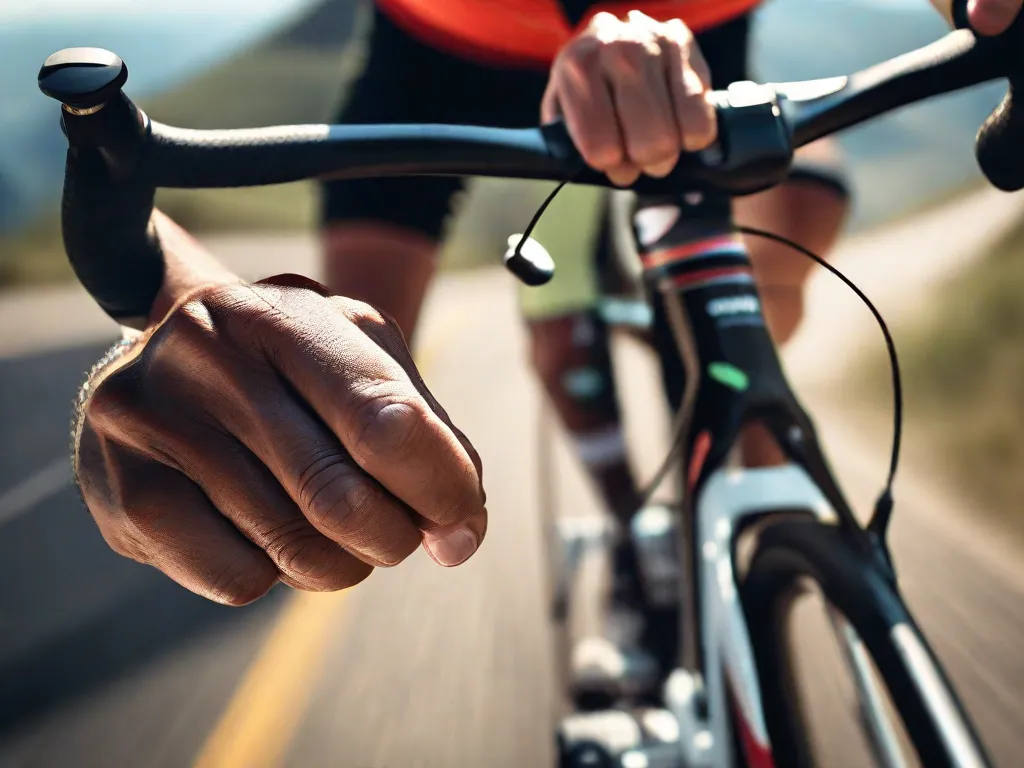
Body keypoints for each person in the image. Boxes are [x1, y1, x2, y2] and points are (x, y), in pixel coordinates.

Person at [71, 0, 1020, 613]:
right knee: (338, 400)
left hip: (694, 48)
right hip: (438, 53)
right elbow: (261, 343)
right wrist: (195, 316)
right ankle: (629, 532)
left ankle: (732, 517)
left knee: (794, 217)